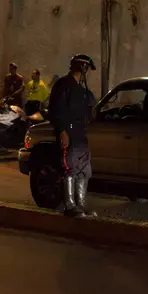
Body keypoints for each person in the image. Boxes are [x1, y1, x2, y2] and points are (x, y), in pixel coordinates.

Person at [49, 54, 97, 218]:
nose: (89, 73)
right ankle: (70, 204)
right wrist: (62, 131)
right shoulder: (63, 85)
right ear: (83, 68)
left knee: (84, 169)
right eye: (88, 69)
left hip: (80, 134)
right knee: (70, 168)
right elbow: (57, 110)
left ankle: (81, 204)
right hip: (68, 133)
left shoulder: (81, 90)